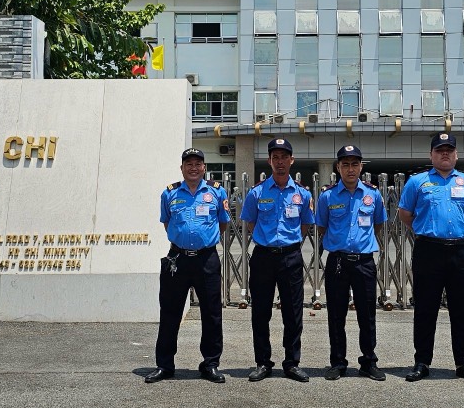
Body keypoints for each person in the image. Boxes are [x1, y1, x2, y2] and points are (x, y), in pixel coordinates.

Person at [397, 132, 464, 382]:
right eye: (440, 150)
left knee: (462, 311)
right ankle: (422, 362)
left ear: (457, 155)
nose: (445, 154)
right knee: (425, 309)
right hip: (429, 250)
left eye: (449, 150)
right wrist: (425, 227)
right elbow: (405, 213)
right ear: (431, 155)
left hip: (462, 251)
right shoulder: (417, 182)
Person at [145, 148, 230, 384]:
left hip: (207, 259)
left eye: (198, 164)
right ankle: (165, 365)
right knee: (170, 312)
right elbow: (168, 224)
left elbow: (222, 224)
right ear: (181, 168)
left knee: (212, 314)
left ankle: (210, 364)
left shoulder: (216, 192)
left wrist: (203, 242)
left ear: (204, 168)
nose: (193, 168)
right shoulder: (169, 193)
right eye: (188, 164)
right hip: (178, 260)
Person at [241, 137, 315, 382]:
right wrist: (268, 240)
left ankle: (292, 363)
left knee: (293, 313)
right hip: (263, 257)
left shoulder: (302, 195)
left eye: (284, 157)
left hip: (291, 257)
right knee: (261, 312)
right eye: (275, 157)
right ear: (269, 161)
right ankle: (263, 362)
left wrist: (289, 242)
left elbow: (306, 224)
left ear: (292, 160)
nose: (280, 162)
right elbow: (250, 223)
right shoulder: (257, 192)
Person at [315, 144, 387, 381]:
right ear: (338, 168)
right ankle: (337, 362)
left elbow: (378, 224)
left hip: (364, 262)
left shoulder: (373, 194)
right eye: (345, 164)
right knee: (337, 314)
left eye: (354, 164)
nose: (350, 169)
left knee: (367, 314)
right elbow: (322, 226)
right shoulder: (327, 196)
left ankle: (369, 361)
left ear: (361, 167)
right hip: (338, 261)